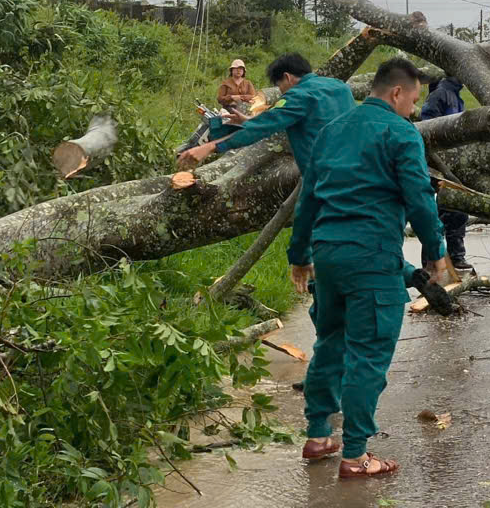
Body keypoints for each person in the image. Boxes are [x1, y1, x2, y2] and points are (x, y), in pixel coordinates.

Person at [288, 58, 450, 479]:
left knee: (331, 342)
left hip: (327, 253)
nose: (414, 109)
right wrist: (436, 253)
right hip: (372, 257)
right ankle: (357, 455)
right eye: (413, 100)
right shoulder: (400, 132)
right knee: (367, 355)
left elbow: (307, 200)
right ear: (397, 93)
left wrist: (298, 255)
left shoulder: (331, 131)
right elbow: (419, 197)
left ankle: (319, 433)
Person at [178, 53, 355, 172]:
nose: (282, 92)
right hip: (357, 168)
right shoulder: (340, 87)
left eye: (279, 87)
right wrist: (248, 119)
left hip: (324, 179)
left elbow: (261, 129)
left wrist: (210, 147)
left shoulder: (299, 95)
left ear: (287, 77)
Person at [418, 77, 472, 270]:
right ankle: (432, 260)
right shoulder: (442, 94)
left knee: (458, 212)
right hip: (441, 163)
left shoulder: (456, 95)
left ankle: (456, 256)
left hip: (455, 161)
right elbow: (428, 122)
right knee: (441, 214)